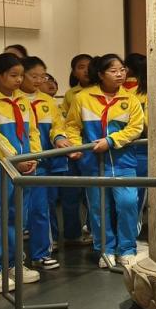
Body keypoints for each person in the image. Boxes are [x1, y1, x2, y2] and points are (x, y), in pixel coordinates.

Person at [65, 54, 145, 268]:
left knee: (128, 204)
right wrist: (76, 146)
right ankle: (105, 249)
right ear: (100, 74)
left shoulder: (130, 99)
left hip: (124, 162)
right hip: (93, 163)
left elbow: (136, 128)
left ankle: (127, 249)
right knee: (99, 209)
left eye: (122, 69)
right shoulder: (82, 98)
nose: (120, 74)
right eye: (113, 70)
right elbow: (72, 125)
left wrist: (111, 141)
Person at [0, 53, 42, 293]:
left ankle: (13, 264)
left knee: (18, 216)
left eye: (21, 75)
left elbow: (32, 131)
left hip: (23, 167)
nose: (19, 80)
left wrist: (35, 156)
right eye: (13, 75)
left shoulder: (22, 100)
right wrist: (15, 159)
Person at [21, 57, 71, 271]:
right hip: (19, 162)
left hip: (42, 163)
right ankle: (13, 260)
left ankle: (41, 253)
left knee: (41, 208)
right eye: (34, 76)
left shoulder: (48, 101)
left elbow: (57, 125)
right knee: (18, 212)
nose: (39, 80)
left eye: (43, 76)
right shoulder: (14, 100)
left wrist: (59, 137)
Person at [58, 54, 93, 246]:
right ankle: (72, 234)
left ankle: (93, 230)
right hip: (73, 149)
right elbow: (67, 122)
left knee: (93, 194)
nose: (86, 70)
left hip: (94, 149)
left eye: (89, 66)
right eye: (81, 67)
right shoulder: (71, 94)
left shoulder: (101, 90)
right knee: (70, 194)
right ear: (73, 72)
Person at [124, 53, 149, 231]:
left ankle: (131, 229)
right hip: (140, 145)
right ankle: (132, 230)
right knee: (137, 191)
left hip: (137, 144)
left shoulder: (129, 92)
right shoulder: (133, 93)